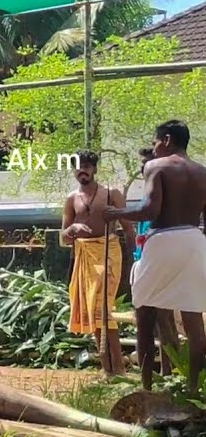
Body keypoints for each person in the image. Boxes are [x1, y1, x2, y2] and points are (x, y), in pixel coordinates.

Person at [106, 120, 206, 394]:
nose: (154, 148)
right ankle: (194, 390)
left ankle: (147, 390)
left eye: (155, 142)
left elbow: (150, 210)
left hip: (163, 241)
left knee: (145, 314)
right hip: (195, 241)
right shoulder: (202, 172)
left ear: (167, 140)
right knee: (193, 317)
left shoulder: (156, 166)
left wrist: (116, 213)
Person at [61, 150, 133, 376]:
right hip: (84, 256)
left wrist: (137, 260)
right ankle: (107, 368)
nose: (82, 170)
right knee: (93, 309)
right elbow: (63, 237)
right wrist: (72, 229)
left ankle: (118, 368)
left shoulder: (112, 194)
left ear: (94, 169)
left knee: (102, 307)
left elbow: (129, 229)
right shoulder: (72, 199)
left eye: (87, 166)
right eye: (78, 167)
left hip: (108, 252)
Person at [132, 148, 181, 378]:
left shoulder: (164, 196)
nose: (144, 168)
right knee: (145, 321)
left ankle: (171, 373)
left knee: (164, 321)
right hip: (143, 262)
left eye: (148, 163)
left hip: (160, 266)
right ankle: (153, 375)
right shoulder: (147, 193)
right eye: (143, 164)